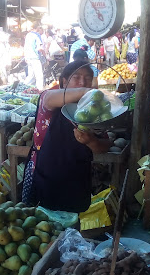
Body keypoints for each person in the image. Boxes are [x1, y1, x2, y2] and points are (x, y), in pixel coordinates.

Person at [22, 60, 111, 213]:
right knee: (39, 226)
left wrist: (91, 141)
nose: (83, 82)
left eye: (88, 78)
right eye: (76, 77)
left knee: (71, 228)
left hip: (76, 180)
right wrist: (88, 92)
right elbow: (48, 98)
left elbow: (104, 146)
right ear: (64, 81)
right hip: (43, 175)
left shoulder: (93, 111)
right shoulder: (50, 99)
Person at [24, 21, 45, 90]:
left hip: (28, 58)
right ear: (38, 27)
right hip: (35, 58)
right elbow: (39, 48)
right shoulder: (37, 35)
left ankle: (24, 87)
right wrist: (45, 54)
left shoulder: (28, 35)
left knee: (31, 76)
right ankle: (39, 90)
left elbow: (26, 47)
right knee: (39, 76)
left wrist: (26, 57)